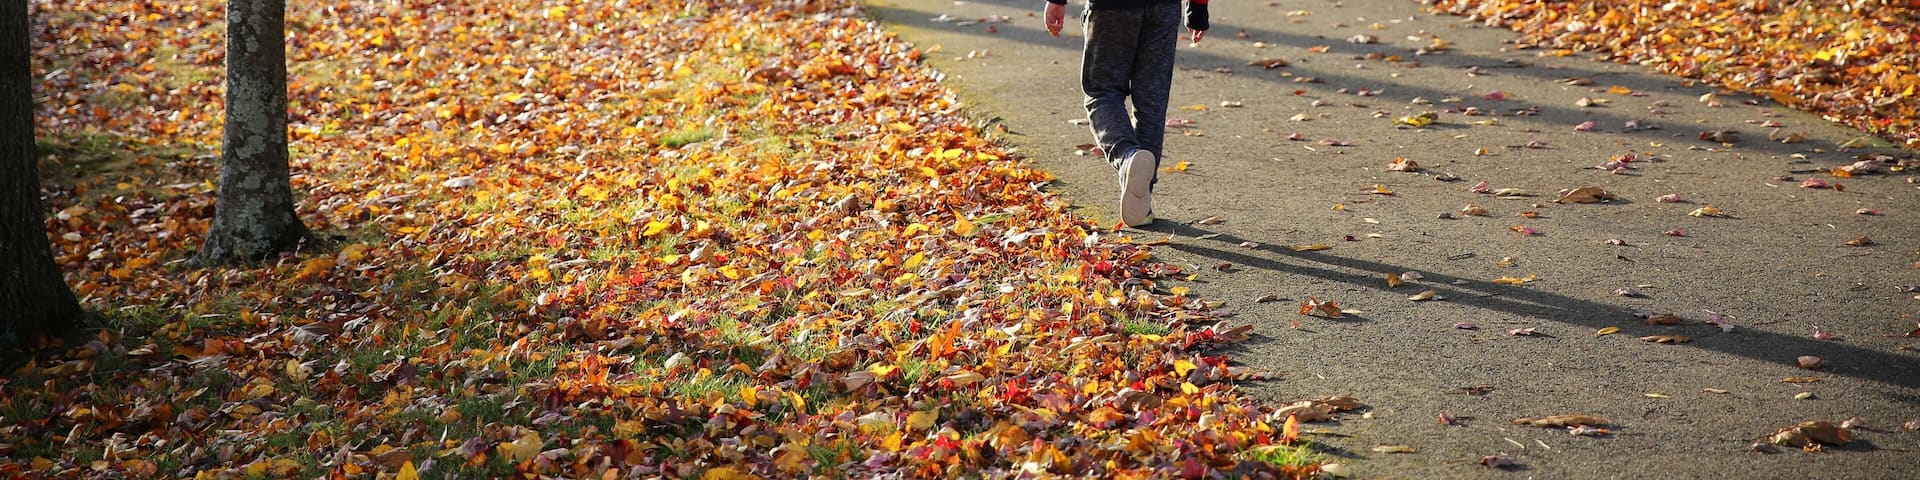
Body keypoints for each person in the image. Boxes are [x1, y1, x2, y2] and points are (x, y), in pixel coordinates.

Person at [1045, 0, 1208, 227]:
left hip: (1112, 8)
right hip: (1164, 9)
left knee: (1102, 91)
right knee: (1152, 102)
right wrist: (1198, 7)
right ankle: (1142, 200)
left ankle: (1127, 155)